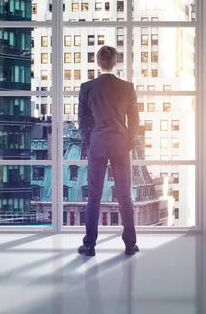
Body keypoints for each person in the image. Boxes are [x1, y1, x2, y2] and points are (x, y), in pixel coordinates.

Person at [77, 45, 140, 257]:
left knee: (93, 196)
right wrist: (129, 142)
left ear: (97, 63)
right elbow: (134, 121)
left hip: (97, 144)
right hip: (121, 144)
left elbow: (82, 120)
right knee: (124, 195)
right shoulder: (128, 88)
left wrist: (88, 141)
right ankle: (130, 245)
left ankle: (90, 245)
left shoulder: (87, 87)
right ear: (115, 63)